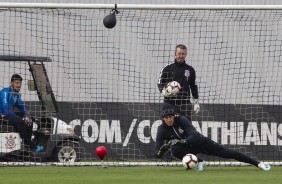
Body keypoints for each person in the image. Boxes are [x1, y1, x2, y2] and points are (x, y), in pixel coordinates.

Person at [154, 103, 271, 171]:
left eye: (171, 116)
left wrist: (180, 141)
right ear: (163, 118)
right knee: (175, 150)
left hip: (201, 142)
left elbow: (194, 135)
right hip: (188, 149)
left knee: (227, 153)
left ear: (173, 115)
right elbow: (157, 150)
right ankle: (200, 162)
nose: (169, 119)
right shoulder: (161, 129)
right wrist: (160, 154)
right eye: (166, 117)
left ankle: (258, 164)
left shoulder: (181, 119)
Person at [157, 44, 200, 121]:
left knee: (186, 129)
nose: (181, 56)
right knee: (168, 129)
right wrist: (163, 91)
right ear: (175, 54)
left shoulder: (190, 70)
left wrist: (196, 101)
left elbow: (194, 86)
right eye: (179, 53)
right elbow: (160, 82)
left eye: (183, 54)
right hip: (169, 104)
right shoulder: (167, 68)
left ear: (186, 55)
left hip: (185, 104)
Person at [0, 74, 34, 149]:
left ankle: (28, 142)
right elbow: (7, 110)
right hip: (2, 116)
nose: (19, 85)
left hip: (8, 114)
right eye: (17, 83)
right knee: (20, 121)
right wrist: (22, 119)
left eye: (20, 83)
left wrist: (27, 114)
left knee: (30, 118)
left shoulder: (17, 95)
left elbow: (21, 107)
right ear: (11, 83)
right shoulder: (5, 92)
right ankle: (28, 144)